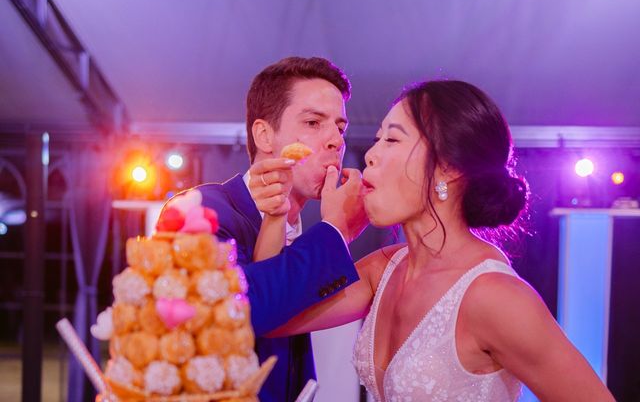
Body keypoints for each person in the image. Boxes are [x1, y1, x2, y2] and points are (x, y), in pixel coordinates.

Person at [266, 80, 615, 401]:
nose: (370, 155)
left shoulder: (495, 297)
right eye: (376, 140)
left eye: (392, 139)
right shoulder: (384, 269)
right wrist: (278, 214)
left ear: (448, 167)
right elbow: (268, 315)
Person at [161, 56, 368, 402]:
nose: (336, 140)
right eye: (314, 122)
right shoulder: (200, 212)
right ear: (264, 135)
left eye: (340, 127)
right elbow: (235, 316)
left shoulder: (296, 234)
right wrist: (336, 230)